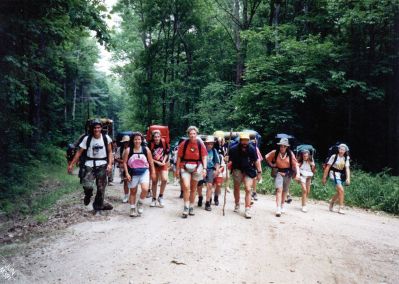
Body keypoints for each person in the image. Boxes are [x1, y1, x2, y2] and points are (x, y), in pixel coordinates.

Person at [67, 119, 114, 212]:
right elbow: (79, 152)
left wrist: (109, 164)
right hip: (89, 165)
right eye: (95, 128)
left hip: (102, 164)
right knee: (87, 185)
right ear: (92, 129)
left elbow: (110, 152)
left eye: (98, 127)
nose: (96, 130)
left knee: (101, 187)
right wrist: (71, 164)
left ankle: (98, 206)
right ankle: (88, 195)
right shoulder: (87, 139)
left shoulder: (106, 138)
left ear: (101, 128)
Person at [175, 126, 207, 218]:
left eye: (194, 133)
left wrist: (204, 168)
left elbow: (204, 157)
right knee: (186, 186)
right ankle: (186, 207)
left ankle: (191, 206)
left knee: (193, 189)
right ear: (188, 134)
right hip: (184, 166)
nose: (192, 135)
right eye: (190, 134)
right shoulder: (184, 144)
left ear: (196, 134)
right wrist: (177, 170)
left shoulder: (200, 144)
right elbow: (179, 157)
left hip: (197, 167)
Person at [228, 133, 262, 219]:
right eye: (243, 140)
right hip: (237, 169)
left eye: (246, 140)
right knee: (236, 187)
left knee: (248, 188)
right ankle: (237, 204)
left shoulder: (252, 149)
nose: (245, 142)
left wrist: (259, 172)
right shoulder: (233, 149)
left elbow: (256, 161)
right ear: (240, 141)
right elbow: (228, 159)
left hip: (249, 170)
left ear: (248, 141)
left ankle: (247, 209)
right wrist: (226, 159)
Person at [123, 132, 156, 217]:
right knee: (133, 191)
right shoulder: (128, 150)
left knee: (145, 189)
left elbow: (151, 162)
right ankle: (132, 208)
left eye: (139, 139)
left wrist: (153, 172)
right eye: (135, 139)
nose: (137, 141)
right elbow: (124, 163)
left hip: (144, 172)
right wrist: (126, 173)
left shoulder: (146, 149)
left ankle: (140, 202)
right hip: (132, 172)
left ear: (141, 140)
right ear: (133, 140)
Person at [265, 138, 299, 217]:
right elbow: (266, 157)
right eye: (281, 146)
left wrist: (298, 175)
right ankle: (278, 208)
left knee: (285, 191)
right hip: (279, 173)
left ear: (287, 147)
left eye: (284, 146)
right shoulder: (275, 152)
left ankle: (282, 205)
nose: (282, 148)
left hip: (288, 174)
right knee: (279, 190)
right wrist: (272, 165)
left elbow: (296, 164)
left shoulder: (290, 154)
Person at [322, 144, 350, 214]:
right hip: (333, 173)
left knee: (339, 192)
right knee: (341, 190)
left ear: (345, 151)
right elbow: (328, 167)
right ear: (338, 149)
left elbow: (347, 168)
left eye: (343, 150)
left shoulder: (346, 158)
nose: (341, 151)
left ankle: (332, 202)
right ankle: (341, 208)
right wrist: (324, 178)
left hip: (340, 175)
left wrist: (348, 178)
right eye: (340, 149)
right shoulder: (334, 156)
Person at [197, 136, 220, 211]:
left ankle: (207, 203)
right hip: (201, 169)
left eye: (211, 144)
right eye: (208, 143)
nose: (210, 145)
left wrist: (216, 170)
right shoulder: (201, 150)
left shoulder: (214, 151)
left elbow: (217, 162)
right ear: (206, 144)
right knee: (199, 184)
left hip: (210, 169)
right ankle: (200, 197)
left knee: (209, 185)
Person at [149, 130, 170, 208]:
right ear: (153, 137)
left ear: (160, 137)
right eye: (155, 137)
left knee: (164, 179)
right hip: (154, 164)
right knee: (154, 181)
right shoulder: (150, 144)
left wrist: (164, 161)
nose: (157, 138)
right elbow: (149, 157)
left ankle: (160, 196)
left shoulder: (164, 142)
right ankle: (153, 199)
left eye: (158, 137)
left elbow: (167, 153)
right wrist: (157, 162)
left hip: (163, 164)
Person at [116, 135, 130, 202]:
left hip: (131, 167)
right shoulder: (120, 149)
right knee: (125, 182)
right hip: (123, 167)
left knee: (132, 182)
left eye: (127, 142)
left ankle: (132, 196)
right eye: (125, 142)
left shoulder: (132, 148)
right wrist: (123, 161)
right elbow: (116, 158)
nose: (126, 143)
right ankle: (126, 195)